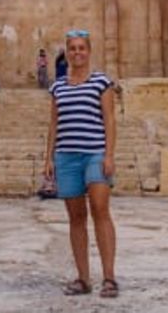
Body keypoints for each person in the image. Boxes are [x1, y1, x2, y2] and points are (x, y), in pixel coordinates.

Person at [44, 29, 119, 299]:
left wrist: (109, 155)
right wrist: (48, 158)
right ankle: (83, 278)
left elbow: (109, 119)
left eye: (81, 48)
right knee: (76, 218)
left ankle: (109, 277)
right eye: (72, 49)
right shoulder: (58, 86)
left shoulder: (101, 82)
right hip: (66, 155)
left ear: (88, 51)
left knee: (100, 209)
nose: (77, 53)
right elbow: (54, 123)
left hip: (95, 154)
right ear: (67, 53)